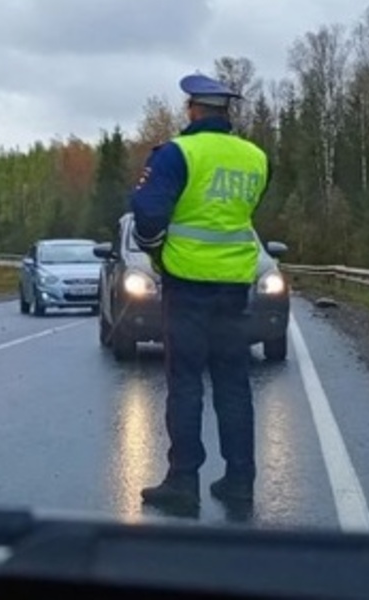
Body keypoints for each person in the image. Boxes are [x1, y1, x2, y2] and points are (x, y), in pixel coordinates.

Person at [132, 73, 271, 518]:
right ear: (225, 112)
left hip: (187, 284)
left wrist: (156, 253)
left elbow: (149, 214)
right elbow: (245, 212)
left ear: (192, 109)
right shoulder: (254, 157)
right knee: (233, 382)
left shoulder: (178, 153)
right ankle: (240, 480)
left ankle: (184, 481)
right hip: (234, 286)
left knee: (186, 382)